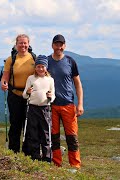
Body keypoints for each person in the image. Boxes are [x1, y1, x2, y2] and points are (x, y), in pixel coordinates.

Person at [47, 34, 84, 169]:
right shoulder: (46, 61)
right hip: (51, 105)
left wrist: (80, 104)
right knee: (54, 137)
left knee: (72, 136)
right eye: (57, 44)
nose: (59, 47)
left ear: (65, 46)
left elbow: (78, 84)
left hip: (68, 104)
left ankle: (75, 165)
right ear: (52, 45)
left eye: (61, 44)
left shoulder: (70, 61)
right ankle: (57, 164)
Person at [0, 34, 35, 153]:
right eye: (20, 43)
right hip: (14, 95)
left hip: (30, 96)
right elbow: (5, 77)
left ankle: (27, 152)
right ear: (16, 44)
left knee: (28, 125)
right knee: (15, 124)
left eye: (25, 43)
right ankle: (13, 151)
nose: (23, 45)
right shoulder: (11, 59)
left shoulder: (33, 58)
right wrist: (4, 84)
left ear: (29, 44)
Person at [22, 55, 55, 162]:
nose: (40, 69)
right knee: (33, 133)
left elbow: (53, 95)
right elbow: (24, 95)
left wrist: (51, 97)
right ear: (35, 67)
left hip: (45, 109)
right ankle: (35, 156)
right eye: (38, 66)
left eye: (43, 66)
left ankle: (47, 158)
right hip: (32, 108)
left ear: (46, 68)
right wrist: (27, 92)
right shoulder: (31, 79)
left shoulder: (50, 80)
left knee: (46, 133)